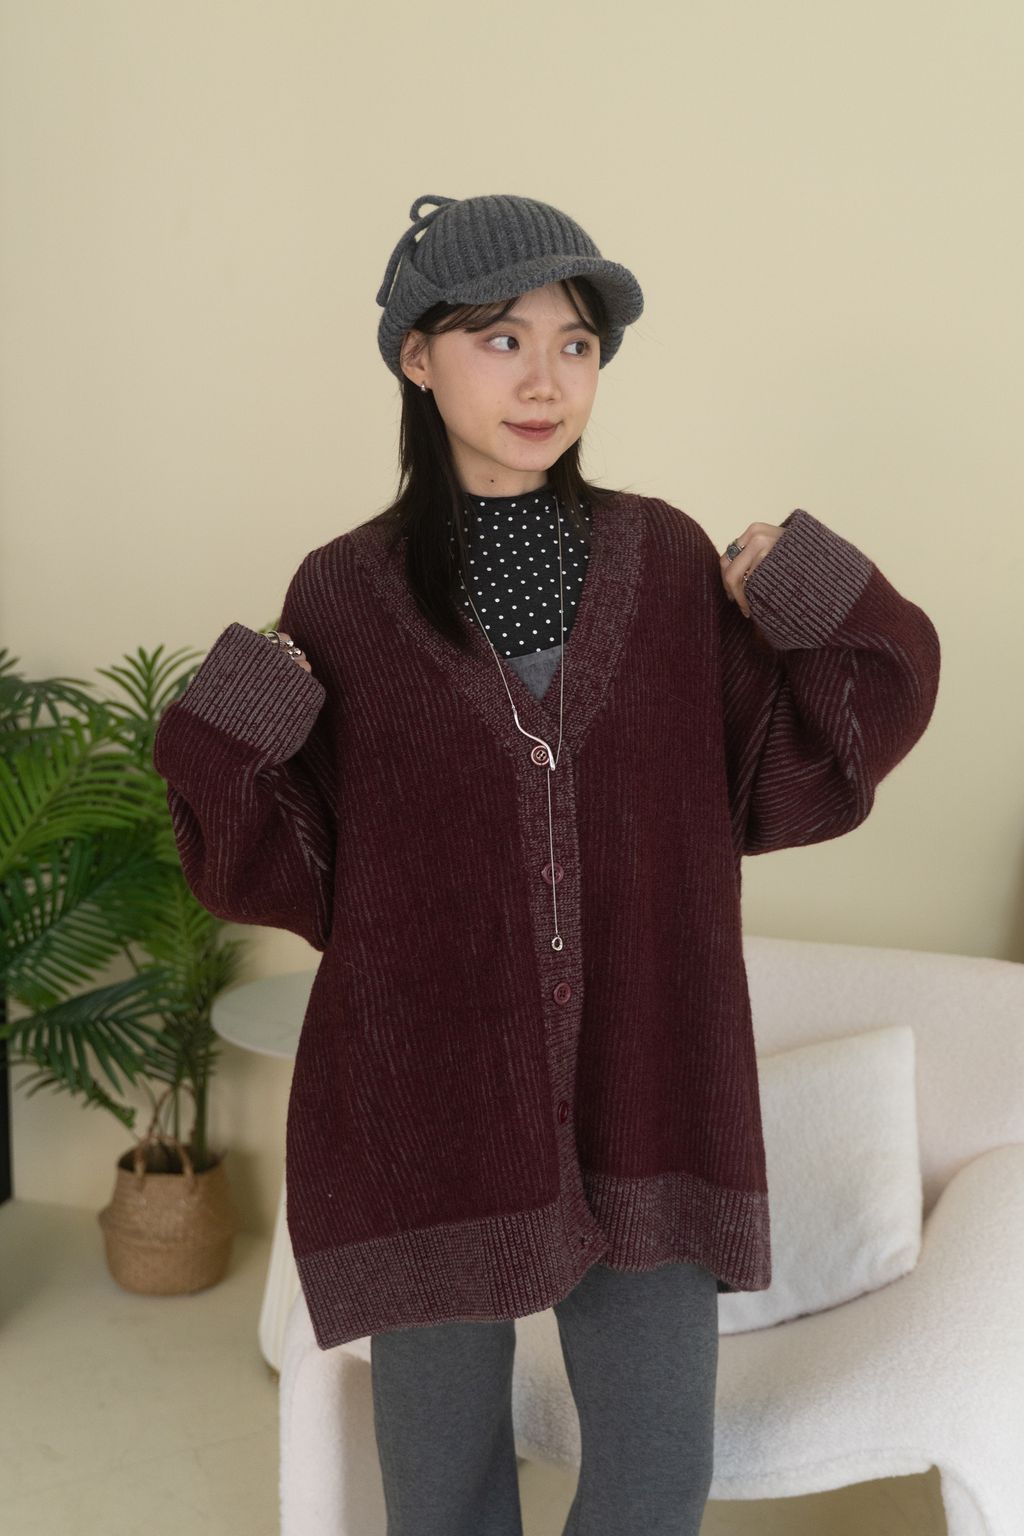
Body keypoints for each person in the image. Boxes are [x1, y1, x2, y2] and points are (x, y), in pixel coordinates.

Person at [152, 192, 941, 1536]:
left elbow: (824, 750)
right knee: (444, 1493)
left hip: (650, 1086)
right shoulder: (341, 594)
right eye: (501, 339)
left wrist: (809, 585)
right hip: (429, 1104)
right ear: (417, 356)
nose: (545, 381)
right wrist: (233, 716)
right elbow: (270, 865)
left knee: (656, 1475)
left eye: (575, 345)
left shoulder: (670, 560)